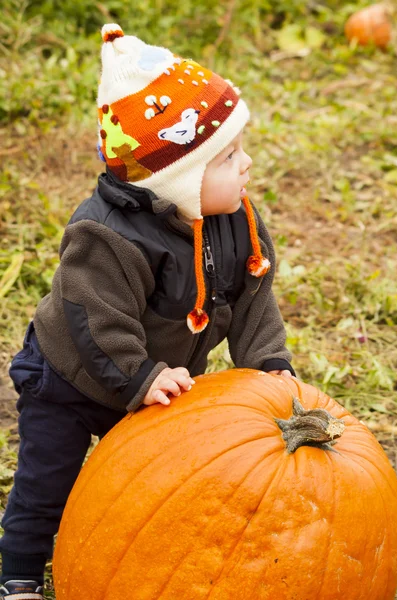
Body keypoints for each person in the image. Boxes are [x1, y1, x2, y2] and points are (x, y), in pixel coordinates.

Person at [0, 23, 295, 599]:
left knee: (143, 484)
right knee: (46, 483)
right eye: (228, 155)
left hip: (157, 384)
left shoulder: (237, 220)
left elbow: (254, 294)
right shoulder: (106, 235)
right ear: (178, 178)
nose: (247, 164)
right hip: (72, 379)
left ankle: (129, 557)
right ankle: (19, 573)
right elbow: (94, 317)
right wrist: (142, 374)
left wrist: (268, 363)